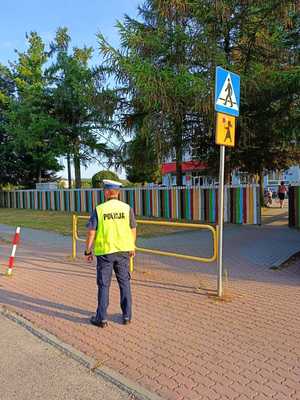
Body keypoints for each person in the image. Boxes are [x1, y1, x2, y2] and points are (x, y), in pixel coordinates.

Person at [85, 179, 136, 328]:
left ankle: (101, 318)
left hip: (105, 253)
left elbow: (91, 232)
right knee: (124, 283)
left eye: (104, 190)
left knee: (103, 285)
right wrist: (132, 246)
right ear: (118, 192)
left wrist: (88, 250)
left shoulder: (99, 209)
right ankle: (127, 316)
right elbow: (133, 229)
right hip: (123, 251)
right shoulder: (127, 208)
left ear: (107, 192)